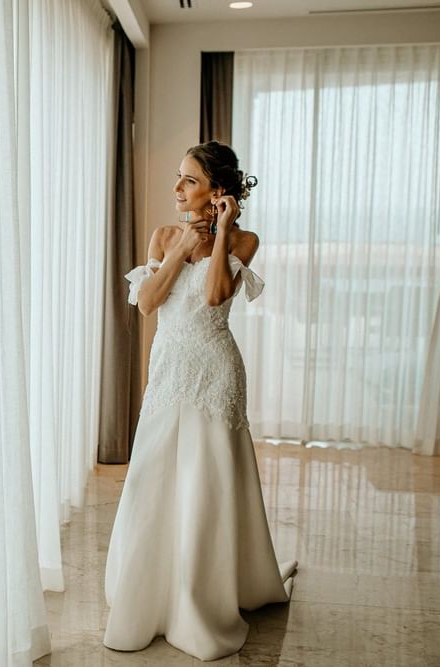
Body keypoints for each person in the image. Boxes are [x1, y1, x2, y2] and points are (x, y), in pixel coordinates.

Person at [102, 141, 297, 661]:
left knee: (207, 479)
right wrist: (178, 245)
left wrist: (218, 237)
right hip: (168, 371)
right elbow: (147, 303)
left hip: (216, 372)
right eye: (179, 177)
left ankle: (204, 592)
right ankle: (148, 588)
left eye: (189, 180)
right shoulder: (163, 235)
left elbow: (214, 296)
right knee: (154, 473)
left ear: (218, 191)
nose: (177, 189)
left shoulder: (245, 240)